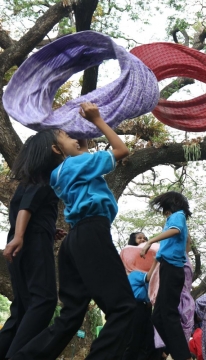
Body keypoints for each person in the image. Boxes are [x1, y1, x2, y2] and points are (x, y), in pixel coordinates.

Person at [12, 102, 136, 360]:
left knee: (70, 314)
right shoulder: (77, 166)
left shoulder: (58, 174)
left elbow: (83, 151)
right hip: (92, 232)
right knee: (123, 308)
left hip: (73, 242)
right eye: (67, 135)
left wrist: (80, 132)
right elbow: (122, 149)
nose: (75, 137)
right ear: (58, 149)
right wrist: (98, 119)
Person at [0, 130, 62, 359]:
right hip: (29, 242)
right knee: (44, 301)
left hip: (23, 240)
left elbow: (27, 209)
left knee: (22, 309)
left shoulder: (30, 178)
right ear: (53, 149)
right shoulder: (44, 175)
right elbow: (27, 207)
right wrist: (21, 236)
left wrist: (48, 228)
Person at [140, 191, 193, 360]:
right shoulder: (171, 221)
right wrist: (150, 273)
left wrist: (150, 241)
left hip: (173, 269)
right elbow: (161, 253)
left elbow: (176, 230)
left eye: (165, 208)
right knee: (157, 317)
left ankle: (183, 356)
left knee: (168, 314)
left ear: (172, 205)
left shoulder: (178, 216)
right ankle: (180, 353)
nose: (164, 213)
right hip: (166, 268)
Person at [122, 270, 159, 360]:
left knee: (147, 341)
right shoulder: (135, 274)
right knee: (133, 342)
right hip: (137, 308)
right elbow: (148, 278)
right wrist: (156, 262)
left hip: (146, 309)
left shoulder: (153, 280)